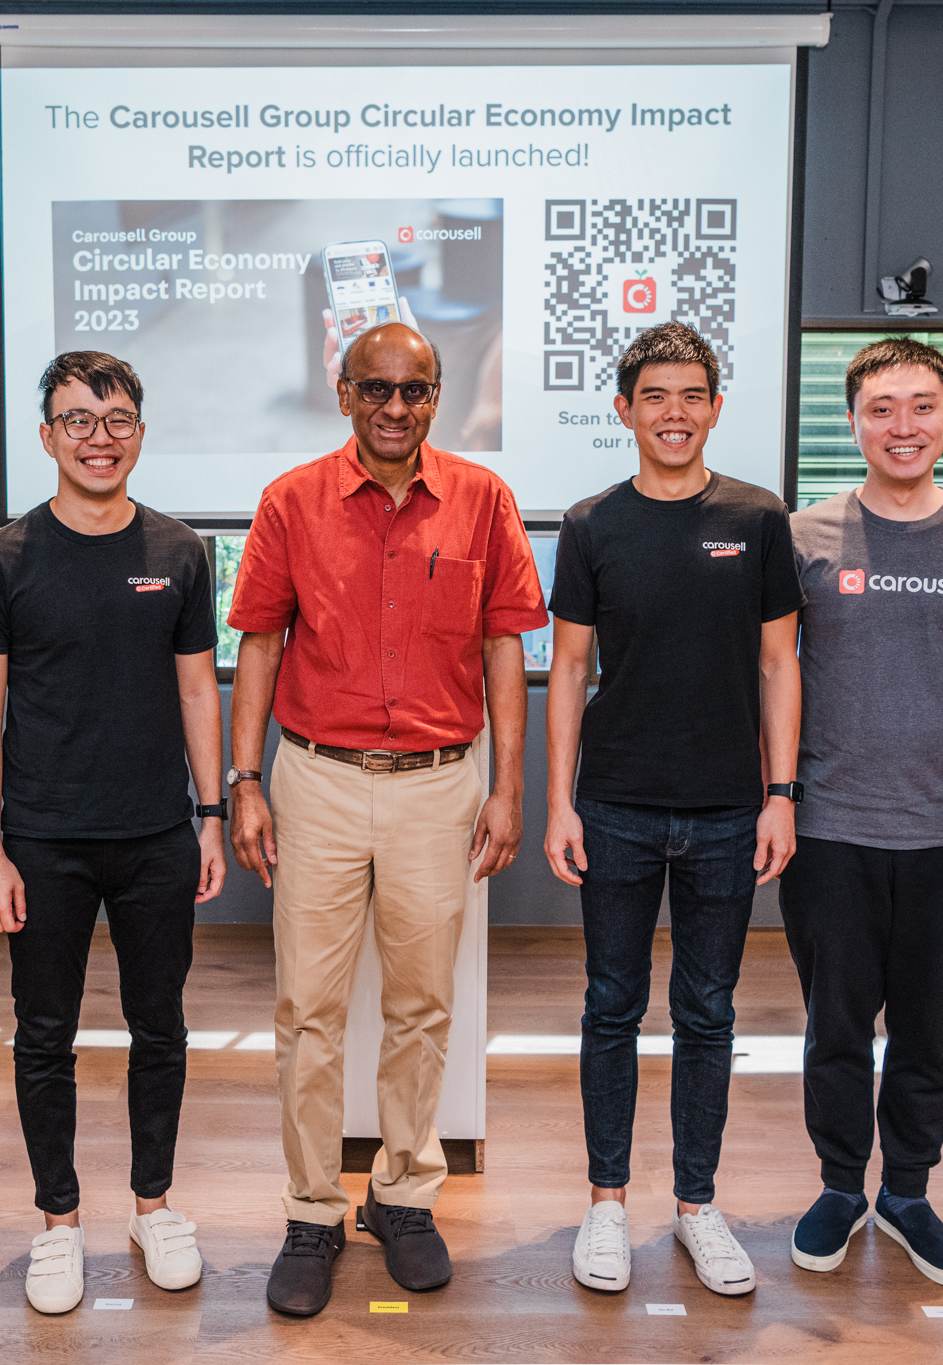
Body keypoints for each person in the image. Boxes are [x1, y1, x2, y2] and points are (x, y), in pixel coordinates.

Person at [227, 321, 546, 1317]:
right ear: (343, 393)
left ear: (436, 397)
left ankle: (402, 1195)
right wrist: (244, 780)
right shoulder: (290, 502)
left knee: (420, 1005)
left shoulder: (484, 500)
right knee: (306, 1012)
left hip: (441, 784)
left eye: (414, 392)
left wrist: (505, 786)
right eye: (376, 390)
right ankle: (312, 1209)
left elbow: (505, 648)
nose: (395, 409)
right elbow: (259, 647)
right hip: (315, 779)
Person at [0, 351, 225, 1315]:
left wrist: (213, 814)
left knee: (163, 1029)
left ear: (139, 433)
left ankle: (154, 1204)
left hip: (156, 835)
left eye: (115, 420)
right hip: (43, 842)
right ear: (47, 436)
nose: (98, 438)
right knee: (43, 1035)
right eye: (77, 420)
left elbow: (198, 687)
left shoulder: (182, 552)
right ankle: (58, 1220)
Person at [541, 320, 803, 1300]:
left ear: (714, 408)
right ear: (623, 410)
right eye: (654, 396)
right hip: (611, 805)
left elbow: (779, 665)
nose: (673, 413)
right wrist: (559, 804)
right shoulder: (591, 525)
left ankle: (695, 1207)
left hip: (729, 810)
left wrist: (780, 794)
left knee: (706, 1012)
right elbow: (567, 670)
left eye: (691, 394)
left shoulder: (759, 518)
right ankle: (605, 1203)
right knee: (610, 1009)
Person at [781, 335, 943, 1289]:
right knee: (837, 1024)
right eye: (883, 408)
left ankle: (909, 1193)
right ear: (852, 421)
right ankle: (842, 1186)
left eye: (921, 405)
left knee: (932, 1027)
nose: (904, 425)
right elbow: (775, 675)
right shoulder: (804, 537)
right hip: (833, 828)